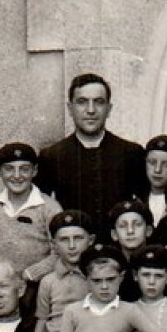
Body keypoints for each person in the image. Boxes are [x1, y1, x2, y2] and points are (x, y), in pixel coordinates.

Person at [38, 73, 145, 223]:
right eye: (82, 102)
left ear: (109, 108)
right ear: (70, 108)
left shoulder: (131, 153)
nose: (90, 110)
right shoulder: (51, 156)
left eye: (99, 102)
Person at [0, 142, 63, 275]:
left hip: (36, 285)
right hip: (1, 283)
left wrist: (33, 273)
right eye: (9, 169)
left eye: (24, 169)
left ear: (34, 170)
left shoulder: (49, 208)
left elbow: (59, 252)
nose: (17, 176)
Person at [31, 209, 95, 332]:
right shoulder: (48, 281)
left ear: (90, 240)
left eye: (78, 238)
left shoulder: (96, 278)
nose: (72, 246)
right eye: (64, 240)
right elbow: (41, 322)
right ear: (54, 245)